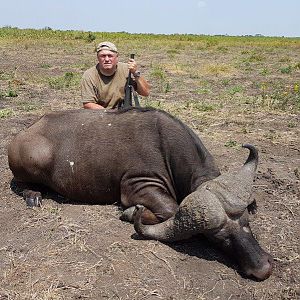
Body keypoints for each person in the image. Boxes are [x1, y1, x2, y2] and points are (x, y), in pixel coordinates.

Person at [81, 41, 150, 109]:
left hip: (124, 113)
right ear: (98, 58)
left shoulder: (127, 70)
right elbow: (88, 104)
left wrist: (135, 73)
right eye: (103, 56)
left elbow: (145, 93)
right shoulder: (89, 75)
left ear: (117, 57)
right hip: (101, 115)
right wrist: (110, 116)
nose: (107, 59)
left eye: (110, 56)